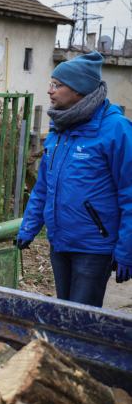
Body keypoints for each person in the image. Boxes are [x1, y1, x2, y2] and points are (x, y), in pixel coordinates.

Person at [17, 52, 132, 307]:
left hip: (93, 247)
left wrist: (127, 250)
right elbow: (44, 187)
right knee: (65, 314)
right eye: (51, 83)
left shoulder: (115, 129)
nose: (49, 91)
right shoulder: (60, 128)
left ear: (79, 90)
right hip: (60, 242)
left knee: (81, 322)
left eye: (57, 85)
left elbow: (130, 194)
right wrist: (29, 226)